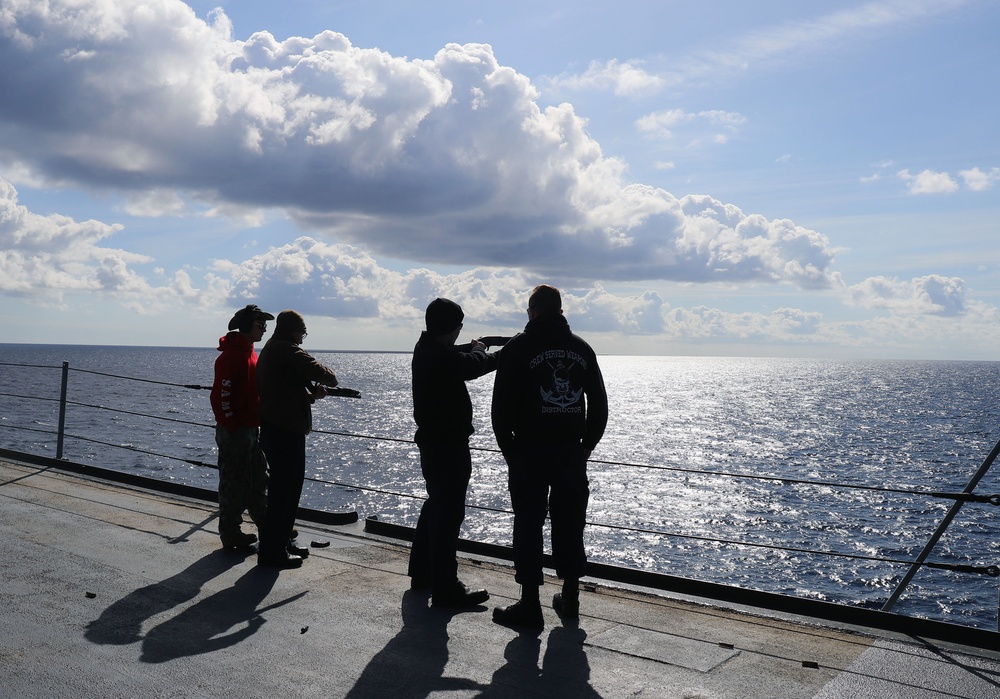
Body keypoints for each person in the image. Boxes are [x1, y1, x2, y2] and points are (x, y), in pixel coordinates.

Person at [490, 285, 608, 629]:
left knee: (528, 523)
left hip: (528, 449)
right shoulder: (581, 349)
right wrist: (587, 445)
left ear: (532, 312)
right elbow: (599, 404)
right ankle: (570, 597)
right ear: (559, 310)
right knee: (571, 522)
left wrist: (508, 449)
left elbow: (500, 407)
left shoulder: (517, 348)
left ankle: (530, 605)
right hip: (571, 450)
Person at [408, 298, 499, 607]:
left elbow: (460, 356)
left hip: (434, 443)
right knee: (448, 515)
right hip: (448, 445)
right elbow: (472, 365)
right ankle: (447, 588)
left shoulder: (426, 349)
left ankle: (422, 573)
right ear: (453, 328)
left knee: (437, 506)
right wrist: (480, 349)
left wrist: (481, 349)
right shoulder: (440, 356)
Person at [255, 310, 359, 568]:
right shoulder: (286, 349)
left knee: (283, 491)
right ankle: (272, 553)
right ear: (293, 330)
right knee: (285, 492)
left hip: (274, 427)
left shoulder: (272, 349)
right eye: (302, 332)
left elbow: (285, 388)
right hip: (285, 431)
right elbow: (324, 373)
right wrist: (326, 379)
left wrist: (311, 395)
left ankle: (280, 544)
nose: (302, 338)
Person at [210, 303, 273, 551]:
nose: (264, 329)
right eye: (261, 325)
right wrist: (232, 424)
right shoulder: (232, 356)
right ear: (247, 326)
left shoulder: (250, 353)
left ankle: (266, 525)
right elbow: (220, 397)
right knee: (233, 482)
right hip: (236, 430)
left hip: (249, 428)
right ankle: (230, 533)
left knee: (258, 477)